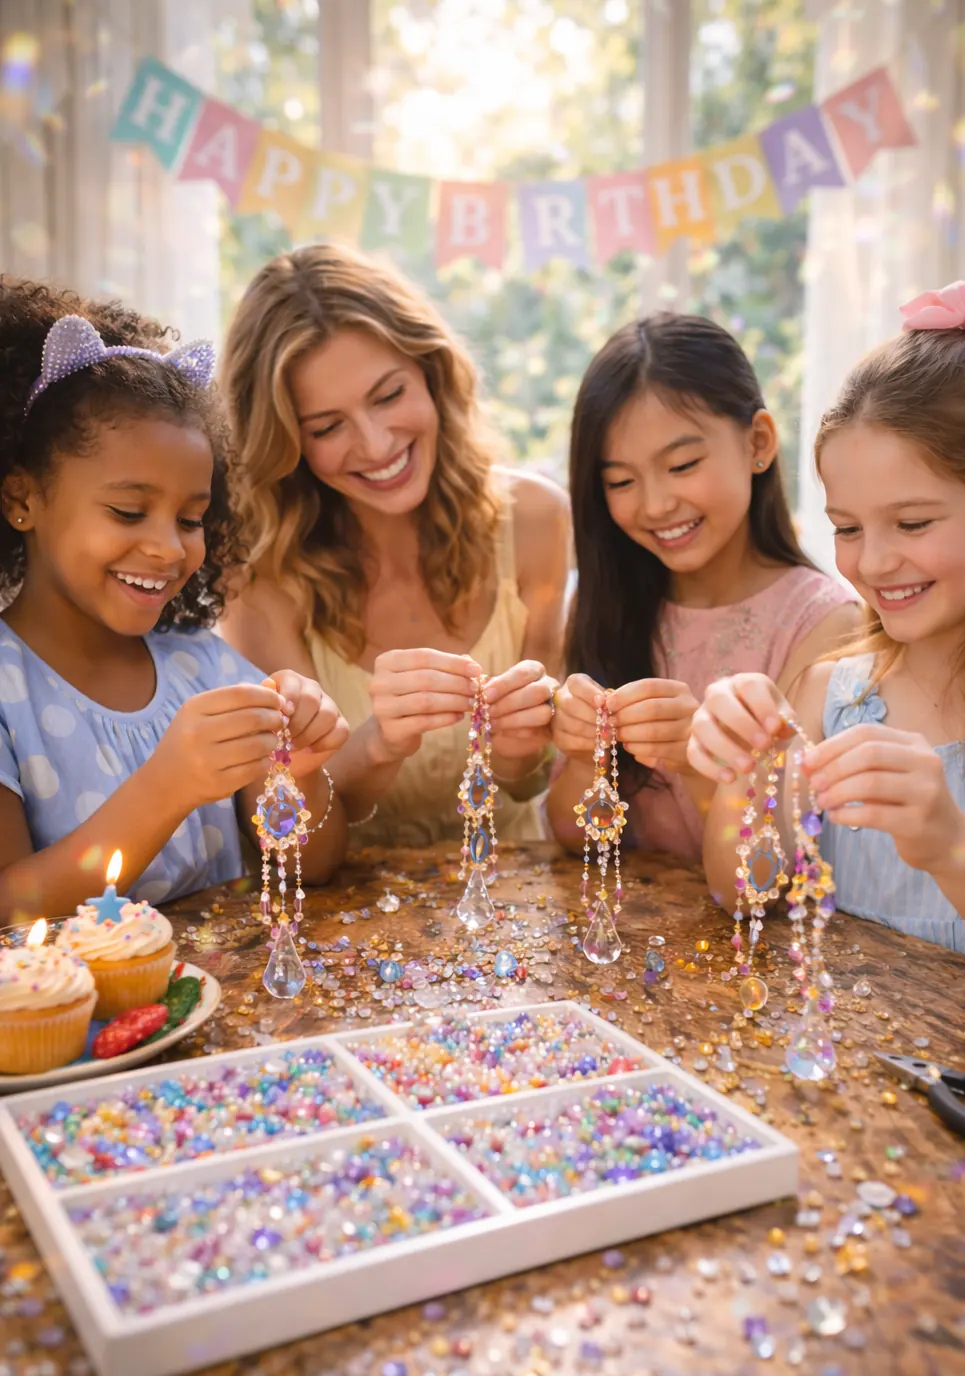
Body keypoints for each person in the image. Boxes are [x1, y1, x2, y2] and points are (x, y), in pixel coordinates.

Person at [689, 279, 965, 973]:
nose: (871, 561)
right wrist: (752, 773)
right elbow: (738, 889)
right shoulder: (828, 696)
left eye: (912, 523)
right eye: (846, 528)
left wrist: (949, 842)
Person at [0, 279, 349, 922]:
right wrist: (168, 787)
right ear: (23, 500)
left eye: (191, 520)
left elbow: (312, 865)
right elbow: (9, 908)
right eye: (129, 511)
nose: (168, 548)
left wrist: (297, 772)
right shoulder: (7, 690)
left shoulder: (206, 668)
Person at [219, 243, 569, 848]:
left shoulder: (536, 520)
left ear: (432, 372)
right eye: (328, 426)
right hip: (346, 930)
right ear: (286, 443)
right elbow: (297, 836)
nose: (377, 444)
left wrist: (519, 749)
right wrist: (379, 744)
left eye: (388, 395)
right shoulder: (260, 579)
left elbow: (527, 786)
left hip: (519, 918)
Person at [547, 312, 855, 860]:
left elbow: (771, 875)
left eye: (683, 464)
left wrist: (695, 762)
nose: (656, 504)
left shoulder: (825, 626)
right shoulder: (606, 606)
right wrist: (580, 755)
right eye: (620, 481)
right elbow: (578, 842)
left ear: (758, 442)